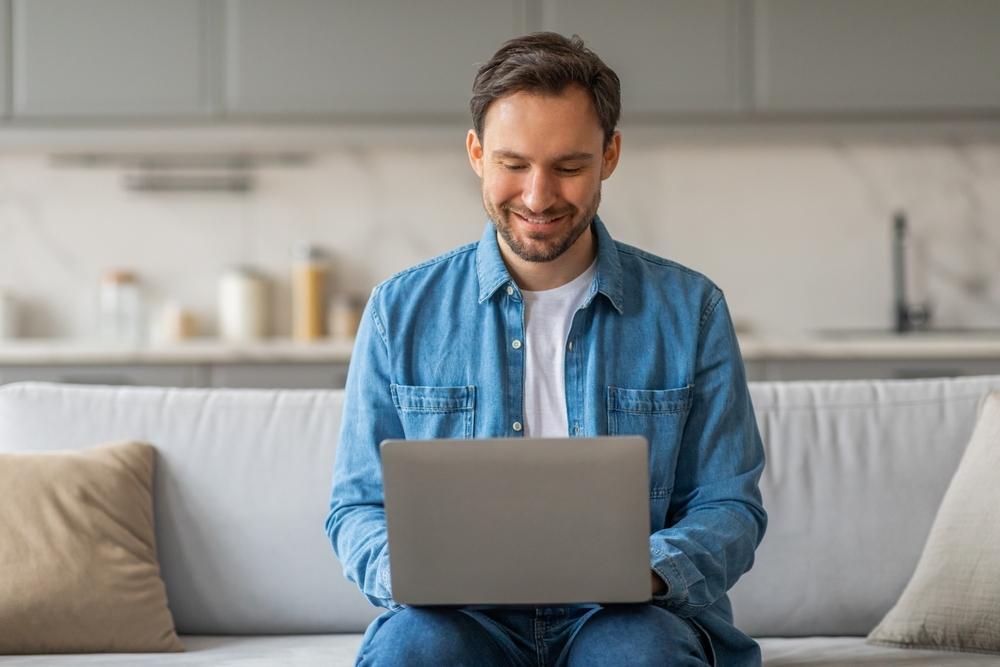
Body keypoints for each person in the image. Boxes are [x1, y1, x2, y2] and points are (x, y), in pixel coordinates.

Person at [326, 32, 767, 667]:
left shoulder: (690, 309)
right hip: (461, 621)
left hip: (627, 618)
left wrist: (642, 572)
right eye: (513, 165)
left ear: (609, 155)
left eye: (568, 167)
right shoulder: (399, 311)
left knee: (643, 656)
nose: (537, 197)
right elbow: (356, 506)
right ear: (476, 154)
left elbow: (729, 505)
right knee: (410, 651)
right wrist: (410, 574)